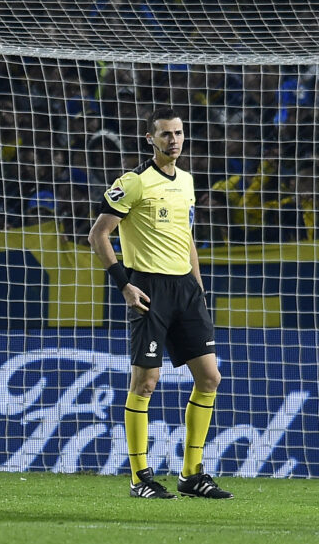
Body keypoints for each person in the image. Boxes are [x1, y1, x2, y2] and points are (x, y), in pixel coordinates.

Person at [87, 107, 232, 500]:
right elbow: (98, 235)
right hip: (148, 288)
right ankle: (140, 477)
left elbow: (187, 238)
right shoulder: (133, 183)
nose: (174, 140)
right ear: (150, 139)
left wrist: (198, 286)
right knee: (146, 383)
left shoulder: (187, 180)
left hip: (185, 289)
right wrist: (124, 286)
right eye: (166, 134)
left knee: (210, 378)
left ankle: (191, 474)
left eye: (179, 133)